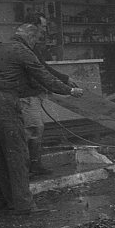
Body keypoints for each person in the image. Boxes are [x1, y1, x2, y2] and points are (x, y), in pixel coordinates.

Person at [0, 23, 83, 214]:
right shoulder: (23, 51)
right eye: (36, 39)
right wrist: (69, 90)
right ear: (31, 37)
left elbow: (13, 79)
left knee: (0, 154)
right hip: (5, 102)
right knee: (17, 153)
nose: (35, 43)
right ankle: (24, 205)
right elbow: (44, 75)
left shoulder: (0, 49)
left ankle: (11, 201)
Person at [21, 12, 78, 176]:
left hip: (31, 95)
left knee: (35, 129)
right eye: (43, 26)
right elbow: (41, 71)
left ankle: (32, 165)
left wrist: (65, 78)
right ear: (34, 27)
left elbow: (43, 67)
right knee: (33, 129)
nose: (44, 30)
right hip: (25, 96)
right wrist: (66, 88)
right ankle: (31, 166)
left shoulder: (33, 46)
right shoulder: (25, 47)